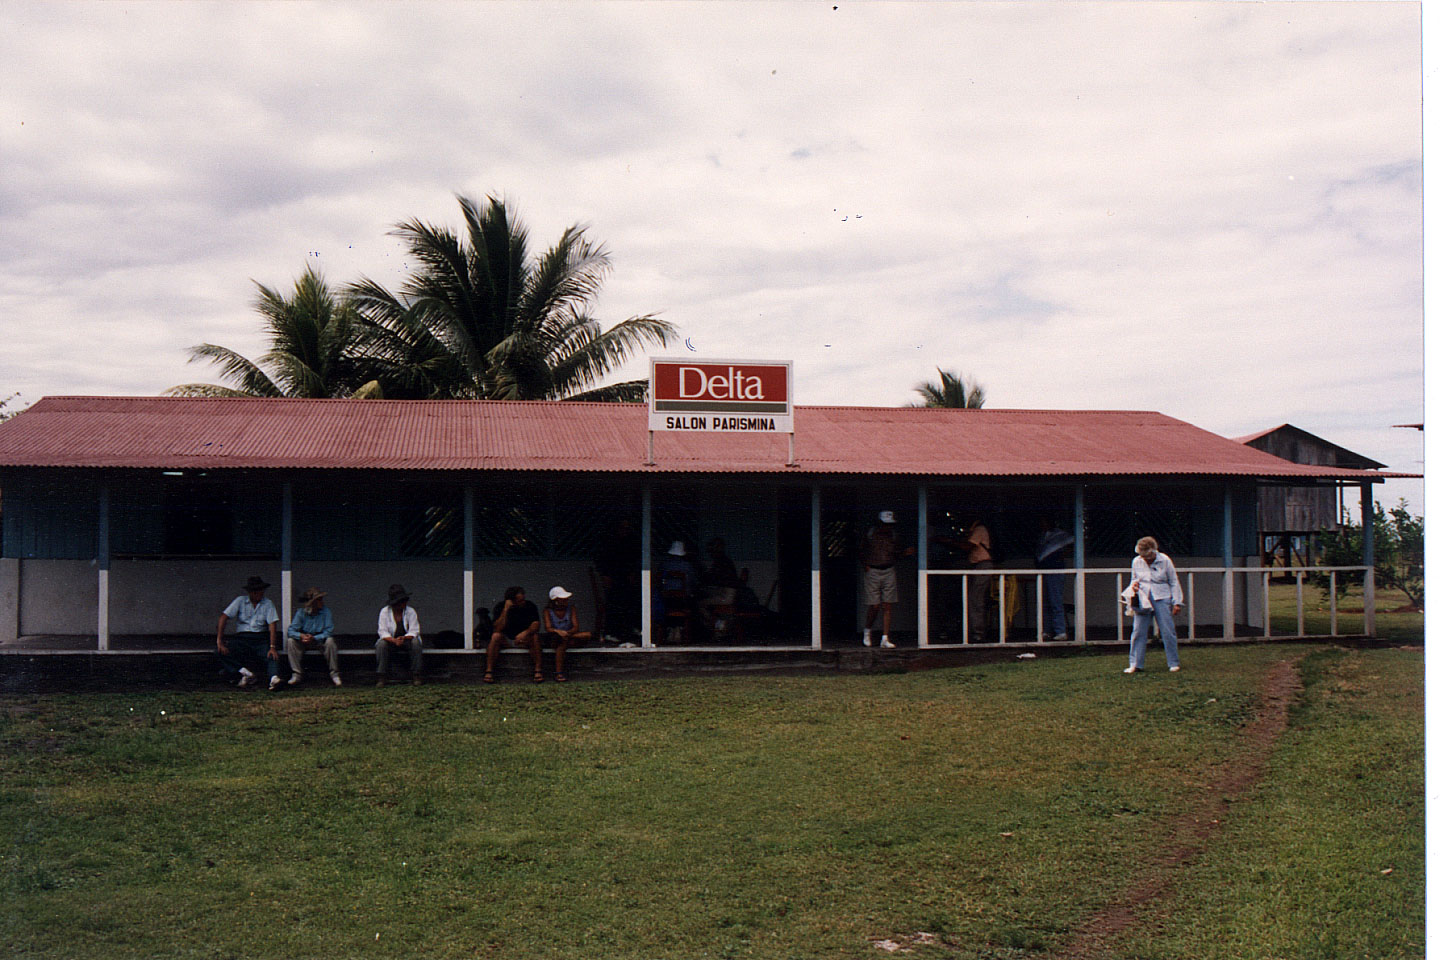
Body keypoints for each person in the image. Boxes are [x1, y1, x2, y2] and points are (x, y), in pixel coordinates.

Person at [1123, 536, 1184, 673]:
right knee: (1138, 630)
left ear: (1153, 551)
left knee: (1167, 630)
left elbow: (1174, 581)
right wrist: (1134, 587)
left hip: (1162, 597)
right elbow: (1134, 579)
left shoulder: (1165, 560)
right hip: (1143, 598)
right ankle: (1136, 664)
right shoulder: (1136, 561)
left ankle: (1173, 662)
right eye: (1142, 556)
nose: (1144, 559)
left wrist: (1177, 602)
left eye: (1147, 556)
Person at [216, 575, 282, 690]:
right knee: (220, 651)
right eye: (256, 591)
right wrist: (219, 641)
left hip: (260, 638)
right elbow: (223, 617)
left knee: (271, 655)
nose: (260, 593)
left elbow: (272, 625)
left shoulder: (268, 603)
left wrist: (272, 646)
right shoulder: (240, 601)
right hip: (242, 638)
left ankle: (274, 678)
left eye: (261, 590)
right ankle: (245, 672)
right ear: (250, 592)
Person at [861, 510, 914, 648]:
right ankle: (867, 631)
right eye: (885, 524)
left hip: (889, 570)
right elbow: (861, 550)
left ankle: (885, 638)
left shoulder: (894, 536)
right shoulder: (870, 534)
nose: (888, 527)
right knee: (874, 605)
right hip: (873, 570)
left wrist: (905, 553)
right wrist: (865, 565)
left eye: (890, 524)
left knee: (887, 605)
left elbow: (896, 554)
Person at [594, 517, 641, 643]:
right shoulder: (609, 542)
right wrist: (605, 576)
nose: (625, 531)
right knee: (613, 603)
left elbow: (633, 561)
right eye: (623, 528)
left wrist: (631, 575)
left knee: (632, 600)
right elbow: (601, 561)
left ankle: (630, 631)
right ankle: (611, 632)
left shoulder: (630, 543)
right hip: (612, 579)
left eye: (627, 528)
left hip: (624, 580)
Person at [486, 585, 542, 683]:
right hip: (507, 640)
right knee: (495, 636)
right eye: (520, 601)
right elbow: (497, 628)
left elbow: (536, 625)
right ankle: (489, 671)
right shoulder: (500, 607)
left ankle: (538, 670)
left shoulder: (530, 606)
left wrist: (525, 633)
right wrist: (506, 610)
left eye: (523, 599)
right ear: (511, 601)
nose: (523, 602)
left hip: (524, 640)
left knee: (535, 637)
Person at [286, 587, 340, 687]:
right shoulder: (301, 613)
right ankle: (297, 674)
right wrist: (301, 636)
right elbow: (291, 631)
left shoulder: (326, 612)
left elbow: (329, 631)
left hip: (319, 640)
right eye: (319, 599)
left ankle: (334, 674)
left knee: (330, 641)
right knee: (290, 641)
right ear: (313, 602)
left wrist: (315, 638)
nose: (322, 602)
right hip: (304, 639)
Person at [1035, 519, 1074, 641]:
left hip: (1056, 570)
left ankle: (1060, 631)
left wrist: (1058, 557)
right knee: (1045, 601)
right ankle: (1047, 630)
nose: (1042, 524)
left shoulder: (1060, 534)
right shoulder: (1042, 536)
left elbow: (1070, 547)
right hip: (1043, 570)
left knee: (1055, 600)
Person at [375, 583, 422, 686]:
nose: (404, 604)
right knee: (381, 645)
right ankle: (381, 676)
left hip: (407, 641)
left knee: (416, 643)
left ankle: (416, 675)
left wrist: (404, 638)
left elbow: (414, 630)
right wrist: (394, 640)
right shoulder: (384, 612)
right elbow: (382, 631)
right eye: (401, 602)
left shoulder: (411, 611)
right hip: (391, 642)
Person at [542, 586, 591, 682]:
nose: (566, 601)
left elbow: (576, 627)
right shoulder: (548, 611)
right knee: (562, 643)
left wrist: (566, 633)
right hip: (556, 637)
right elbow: (548, 628)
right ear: (555, 600)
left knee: (586, 635)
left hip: (569, 635)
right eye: (563, 599)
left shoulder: (571, 608)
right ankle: (559, 672)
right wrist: (558, 632)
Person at [656, 541, 700, 643]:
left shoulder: (664, 564)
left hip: (667, 599)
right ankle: (680, 629)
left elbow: (658, 581)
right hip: (683, 600)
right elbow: (693, 582)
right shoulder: (687, 566)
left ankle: (671, 628)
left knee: (663, 602)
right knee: (692, 604)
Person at [698, 537, 740, 636]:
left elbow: (710, 578)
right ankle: (718, 625)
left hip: (727, 596)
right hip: (727, 593)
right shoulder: (724, 561)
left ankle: (717, 625)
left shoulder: (720, 562)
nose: (710, 554)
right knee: (705, 595)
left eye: (711, 551)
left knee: (700, 604)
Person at [963, 518, 994, 643]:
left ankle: (978, 633)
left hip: (983, 565)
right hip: (978, 566)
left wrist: (948, 541)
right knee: (977, 598)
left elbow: (968, 546)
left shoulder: (979, 529)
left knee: (976, 599)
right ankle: (977, 631)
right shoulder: (975, 529)